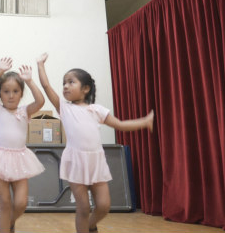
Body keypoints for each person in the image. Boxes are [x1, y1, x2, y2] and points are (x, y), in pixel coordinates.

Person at [36, 53, 154, 233]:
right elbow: (46, 86)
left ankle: (91, 225)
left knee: (104, 205)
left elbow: (120, 125)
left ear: (85, 89)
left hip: (96, 162)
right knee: (83, 208)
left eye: (71, 82)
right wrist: (40, 65)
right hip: (76, 161)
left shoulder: (97, 110)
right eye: (64, 83)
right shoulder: (64, 108)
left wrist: (144, 122)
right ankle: (85, 226)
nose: (66, 86)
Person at [0, 57, 45, 233]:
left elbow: (41, 101)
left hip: (20, 158)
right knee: (4, 201)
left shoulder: (25, 111)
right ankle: (5, 228)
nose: (11, 95)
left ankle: (10, 221)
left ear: (21, 93)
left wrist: (29, 80)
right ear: (0, 94)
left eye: (15, 91)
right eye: (6, 91)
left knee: (20, 203)